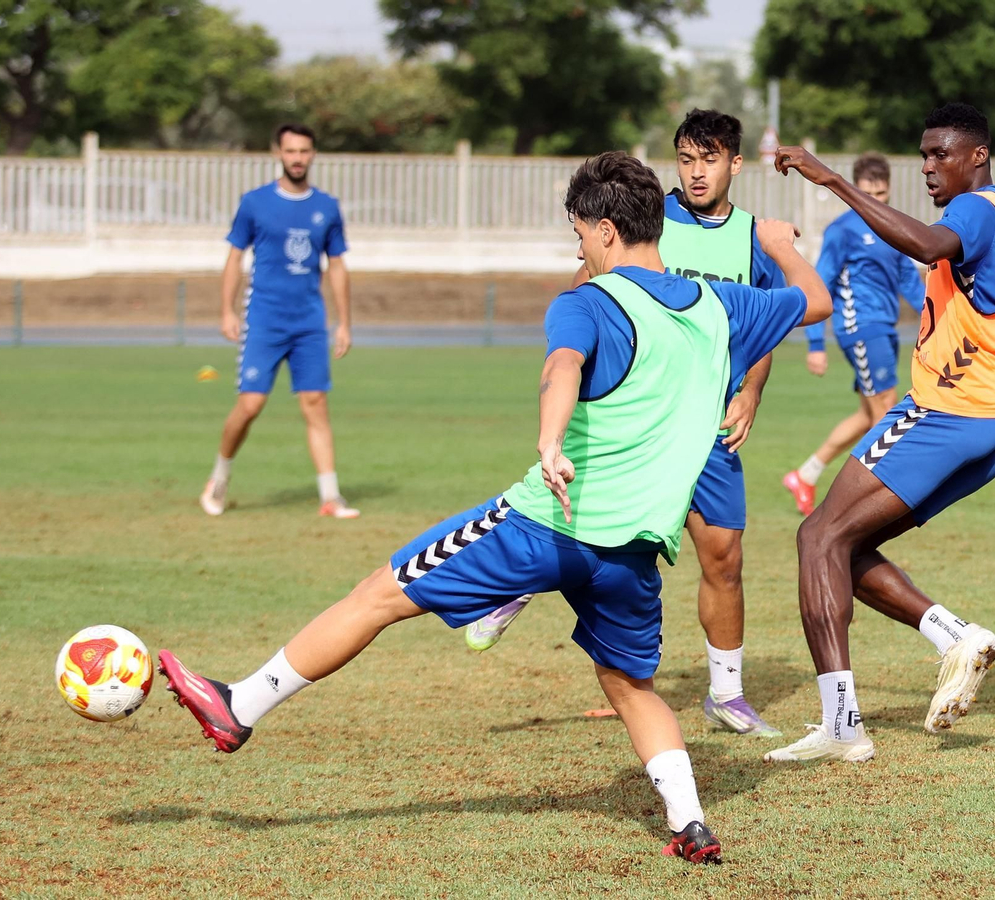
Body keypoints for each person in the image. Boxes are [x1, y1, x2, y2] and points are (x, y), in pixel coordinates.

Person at [159, 152, 832, 862]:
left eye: (577, 233)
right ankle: (689, 821)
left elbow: (561, 367)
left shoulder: (587, 302)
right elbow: (813, 301)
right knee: (632, 687)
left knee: (377, 596)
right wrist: (784, 248)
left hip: (545, 525)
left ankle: (240, 707)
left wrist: (550, 439)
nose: (577, 247)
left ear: (605, 230)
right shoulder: (721, 308)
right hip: (633, 553)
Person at [465, 110, 794, 738]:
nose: (697, 173)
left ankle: (726, 694)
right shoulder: (645, 219)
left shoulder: (755, 235)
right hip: (638, 415)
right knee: (581, 519)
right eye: (687, 159)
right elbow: (586, 295)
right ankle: (514, 589)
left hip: (708, 422)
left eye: (711, 159)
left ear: (735, 164)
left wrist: (751, 391)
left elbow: (766, 319)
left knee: (723, 555)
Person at [764, 102, 995, 763]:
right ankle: (953, 636)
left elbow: (926, 244)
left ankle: (841, 727)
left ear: (977, 156)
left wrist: (834, 183)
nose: (928, 167)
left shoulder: (977, 211)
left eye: (941, 155)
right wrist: (992, 359)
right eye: (923, 155)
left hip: (943, 411)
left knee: (816, 535)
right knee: (843, 547)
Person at [199, 123, 358, 519]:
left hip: (308, 321)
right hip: (265, 319)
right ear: (278, 153)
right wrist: (226, 310)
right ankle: (219, 477)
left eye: (304, 151)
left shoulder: (327, 207)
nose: (298, 158)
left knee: (315, 403)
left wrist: (343, 323)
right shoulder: (254, 203)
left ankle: (330, 496)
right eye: (291, 151)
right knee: (250, 404)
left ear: (313, 154)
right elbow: (235, 259)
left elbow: (336, 266)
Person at [783, 152, 926, 516]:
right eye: (866, 194)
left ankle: (806, 474)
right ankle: (876, 501)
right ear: (853, 190)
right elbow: (818, 286)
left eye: (880, 195)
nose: (874, 203)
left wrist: (936, 315)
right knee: (887, 415)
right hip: (860, 329)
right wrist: (815, 344)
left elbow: (909, 280)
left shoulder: (892, 227)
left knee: (868, 416)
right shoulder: (842, 231)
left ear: (889, 191)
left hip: (885, 329)